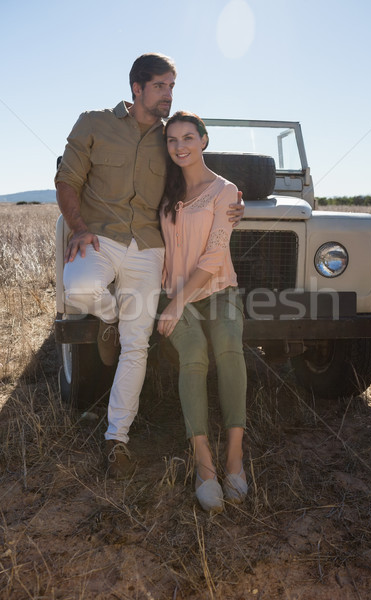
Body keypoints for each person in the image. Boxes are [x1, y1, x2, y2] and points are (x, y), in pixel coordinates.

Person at [55, 53, 244, 480]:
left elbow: (199, 172)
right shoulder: (93, 123)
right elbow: (67, 179)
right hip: (99, 236)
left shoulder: (168, 137)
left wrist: (236, 200)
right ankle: (109, 316)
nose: (169, 94)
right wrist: (79, 227)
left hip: (148, 249)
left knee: (136, 344)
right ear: (137, 88)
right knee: (79, 290)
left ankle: (116, 439)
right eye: (161, 86)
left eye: (172, 87)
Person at [157, 111, 247, 513]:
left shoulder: (226, 192)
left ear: (204, 140)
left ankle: (234, 457)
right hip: (170, 290)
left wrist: (179, 304)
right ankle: (204, 464)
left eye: (188, 137)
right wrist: (173, 300)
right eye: (172, 140)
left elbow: (214, 257)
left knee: (228, 344)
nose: (180, 146)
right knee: (193, 353)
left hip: (217, 289)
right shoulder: (164, 187)